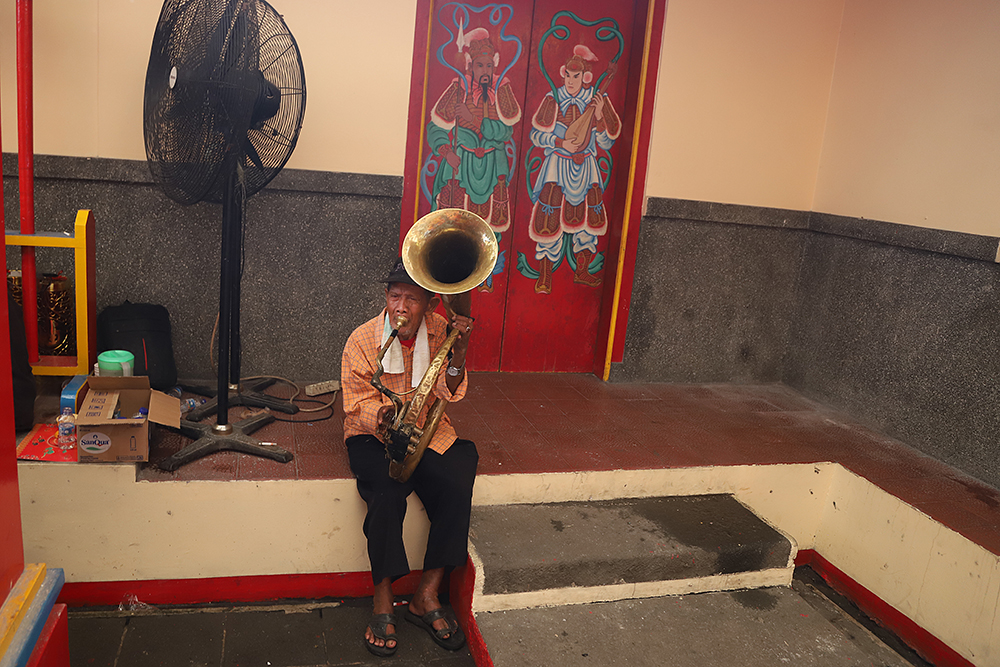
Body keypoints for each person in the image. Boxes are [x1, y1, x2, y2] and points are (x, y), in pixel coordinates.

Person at [341, 257, 479, 657]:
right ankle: (382, 597)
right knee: (385, 493)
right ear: (385, 297)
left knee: (457, 478)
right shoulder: (363, 339)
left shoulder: (441, 331)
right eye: (394, 296)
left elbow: (451, 390)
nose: (401, 307)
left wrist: (462, 347)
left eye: (412, 299)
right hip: (373, 432)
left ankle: (427, 594)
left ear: (430, 303)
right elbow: (354, 404)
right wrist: (384, 417)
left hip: (425, 427)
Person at [527, 44, 621, 294]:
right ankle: (545, 275)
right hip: (557, 165)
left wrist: (600, 116)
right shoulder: (554, 98)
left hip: (587, 166)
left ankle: (582, 271)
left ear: (586, 77)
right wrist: (560, 143)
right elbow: (537, 135)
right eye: (568, 75)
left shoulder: (597, 100)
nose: (571, 81)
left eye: (576, 76)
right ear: (562, 74)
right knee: (550, 215)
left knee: (588, 220)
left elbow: (606, 142)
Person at [427, 27, 521, 238]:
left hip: (492, 165)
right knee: (452, 225)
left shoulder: (502, 89)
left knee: (490, 231)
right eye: (480, 65)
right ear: (471, 65)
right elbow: (436, 126)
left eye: (489, 65)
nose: (485, 70)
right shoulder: (459, 87)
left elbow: (506, 131)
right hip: (461, 164)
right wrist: (446, 152)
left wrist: (473, 119)